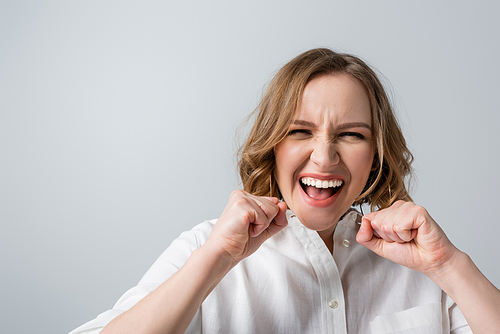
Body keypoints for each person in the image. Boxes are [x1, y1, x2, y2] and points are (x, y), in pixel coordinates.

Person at [70, 48, 500, 334]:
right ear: (272, 147)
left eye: (351, 134)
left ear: (376, 157)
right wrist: (215, 261)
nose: (325, 156)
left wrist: (449, 265)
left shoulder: (423, 268)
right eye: (300, 131)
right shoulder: (205, 249)